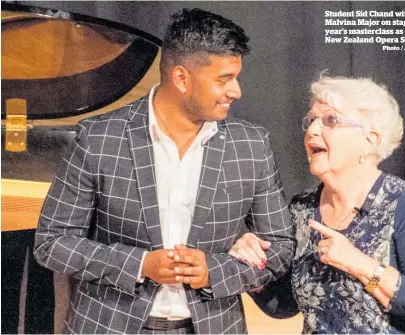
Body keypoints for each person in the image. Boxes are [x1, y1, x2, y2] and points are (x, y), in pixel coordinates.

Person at [34, 8, 295, 334]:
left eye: (235, 77)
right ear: (182, 78)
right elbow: (52, 242)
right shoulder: (98, 139)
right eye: (224, 79)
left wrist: (213, 271)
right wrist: (140, 265)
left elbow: (281, 247)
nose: (236, 91)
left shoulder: (252, 146)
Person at [229, 75, 405, 333]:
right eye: (311, 120)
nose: (313, 130)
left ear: (370, 139)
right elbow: (285, 305)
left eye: (330, 121)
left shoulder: (403, 202)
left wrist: (358, 263)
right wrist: (254, 269)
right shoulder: (302, 208)